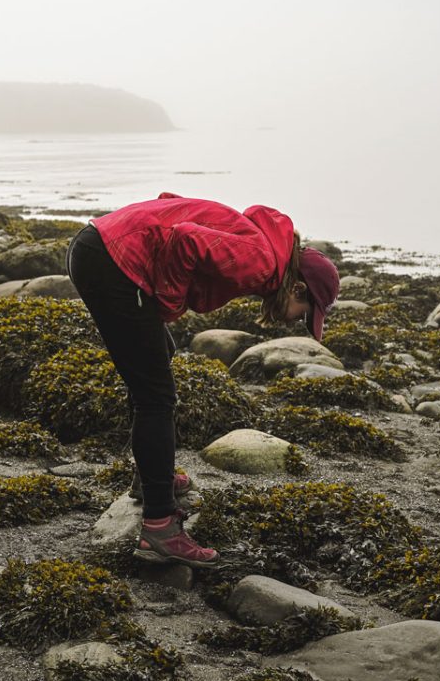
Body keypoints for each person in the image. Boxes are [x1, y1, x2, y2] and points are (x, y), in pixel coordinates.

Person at [66, 192, 340, 568]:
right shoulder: (261, 263)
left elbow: (170, 202)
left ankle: (150, 481)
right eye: (303, 314)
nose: (295, 322)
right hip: (115, 262)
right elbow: (185, 239)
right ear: (297, 289)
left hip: (100, 247)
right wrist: (170, 302)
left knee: (158, 359)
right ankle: (160, 528)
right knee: (156, 397)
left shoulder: (264, 244)